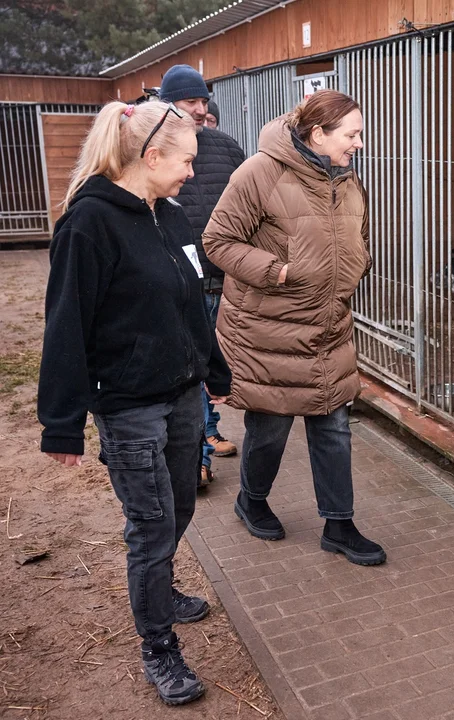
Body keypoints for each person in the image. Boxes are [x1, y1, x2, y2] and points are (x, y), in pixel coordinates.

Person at [37, 100, 232, 706]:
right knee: (150, 529)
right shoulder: (88, 224)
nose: (193, 174)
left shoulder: (168, 216)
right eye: (187, 161)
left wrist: (212, 368)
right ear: (151, 157)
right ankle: (159, 646)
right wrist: (62, 424)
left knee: (178, 509)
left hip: (179, 397)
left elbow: (191, 301)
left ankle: (163, 590)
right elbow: (65, 325)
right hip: (127, 406)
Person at [202, 90, 385, 566]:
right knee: (271, 428)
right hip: (271, 331)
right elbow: (218, 240)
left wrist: (354, 265)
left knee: (333, 424)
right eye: (352, 134)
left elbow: (353, 235)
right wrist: (278, 271)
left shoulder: (344, 177)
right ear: (317, 133)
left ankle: (339, 525)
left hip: (326, 325)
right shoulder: (260, 172)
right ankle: (251, 499)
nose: (359, 144)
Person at [157, 64, 246, 488]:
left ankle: (207, 436)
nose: (199, 108)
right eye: (190, 101)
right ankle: (198, 458)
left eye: (203, 101)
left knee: (216, 369)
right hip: (181, 286)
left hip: (226, 280)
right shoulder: (153, 152)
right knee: (191, 369)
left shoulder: (226, 148)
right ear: (167, 103)